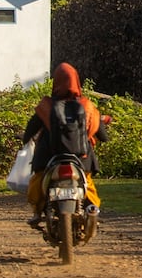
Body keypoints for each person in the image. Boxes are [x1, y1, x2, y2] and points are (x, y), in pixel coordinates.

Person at [20, 62, 107, 226]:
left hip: (48, 156)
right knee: (87, 183)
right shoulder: (87, 106)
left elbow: (30, 129)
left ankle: (37, 213)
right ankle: (92, 209)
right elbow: (103, 136)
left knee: (37, 181)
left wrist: (24, 140)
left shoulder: (47, 106)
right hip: (82, 157)